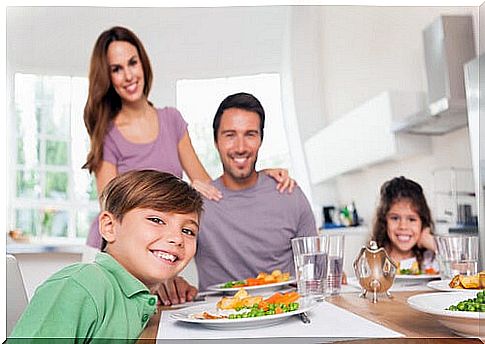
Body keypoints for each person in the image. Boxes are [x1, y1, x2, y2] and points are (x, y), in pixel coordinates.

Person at [82, 26, 294, 251]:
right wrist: (181, 191)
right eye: (116, 69)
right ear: (108, 77)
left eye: (133, 63)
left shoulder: (171, 120)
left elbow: (209, 189)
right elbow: (111, 205)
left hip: (160, 247)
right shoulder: (108, 134)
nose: (128, 76)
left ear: (143, 63)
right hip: (113, 248)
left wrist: (257, 177)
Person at [10, 170, 203, 342]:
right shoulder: (80, 285)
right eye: (156, 220)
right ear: (109, 227)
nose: (177, 238)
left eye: (188, 231)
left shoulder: (143, 296)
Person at [187, 92, 317, 292]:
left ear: (261, 140)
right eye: (230, 135)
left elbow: (315, 267)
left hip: (285, 311)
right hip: (215, 316)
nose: (240, 147)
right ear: (216, 142)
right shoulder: (196, 204)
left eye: (250, 134)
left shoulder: (290, 194)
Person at [372, 176, 438, 273]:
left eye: (411, 219)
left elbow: (462, 271)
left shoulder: (430, 259)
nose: (403, 226)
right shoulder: (375, 259)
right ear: (384, 221)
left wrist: (432, 243)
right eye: (395, 218)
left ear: (422, 223)